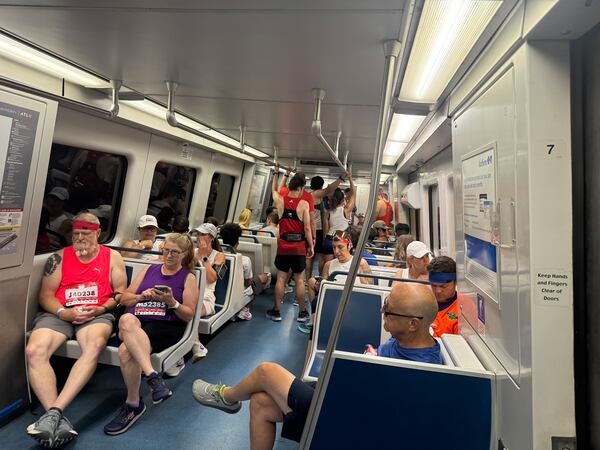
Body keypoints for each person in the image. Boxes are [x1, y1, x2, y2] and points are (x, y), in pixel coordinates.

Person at [191, 282, 440, 449]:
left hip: (347, 417)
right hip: (341, 398)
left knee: (267, 371)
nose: (382, 313)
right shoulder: (404, 342)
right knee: (260, 402)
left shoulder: (421, 370)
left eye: (389, 311)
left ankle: (226, 396)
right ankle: (229, 398)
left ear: (413, 324)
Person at [25, 212, 127, 447]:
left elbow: (119, 293)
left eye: (85, 233)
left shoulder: (113, 257)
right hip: (60, 312)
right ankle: (55, 416)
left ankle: (54, 412)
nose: (80, 237)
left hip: (96, 313)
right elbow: (46, 295)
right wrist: (64, 312)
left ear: (98, 233)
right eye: (76, 233)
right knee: (34, 350)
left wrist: (100, 309)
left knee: (95, 346)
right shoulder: (58, 258)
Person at [103, 234, 199, 435]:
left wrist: (172, 302)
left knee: (124, 351)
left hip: (165, 324)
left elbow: (189, 314)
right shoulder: (149, 269)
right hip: (138, 319)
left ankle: (133, 404)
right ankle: (154, 377)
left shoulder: (188, 277)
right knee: (126, 319)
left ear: (184, 254)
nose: (169, 255)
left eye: (175, 252)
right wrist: (140, 296)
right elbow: (125, 298)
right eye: (166, 250)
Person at [301, 229, 373, 334]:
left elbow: (370, 287)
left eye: (340, 247)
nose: (336, 251)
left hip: (352, 300)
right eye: (334, 248)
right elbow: (323, 286)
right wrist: (320, 284)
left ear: (349, 246)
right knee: (314, 289)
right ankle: (315, 324)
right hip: (332, 298)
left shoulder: (360, 263)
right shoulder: (329, 264)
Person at [268, 168, 314, 323]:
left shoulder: (280, 200)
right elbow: (307, 228)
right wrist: (311, 246)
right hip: (299, 246)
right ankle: (301, 313)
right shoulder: (304, 204)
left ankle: (276, 311)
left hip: (283, 245)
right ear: (300, 188)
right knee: (300, 280)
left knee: (281, 279)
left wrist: (277, 174)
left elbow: (274, 190)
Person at [220, 223, 271, 321]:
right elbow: (248, 283)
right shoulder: (244, 260)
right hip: (239, 291)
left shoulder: (216, 256)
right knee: (265, 277)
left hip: (223, 290)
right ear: (237, 242)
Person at [191, 223, 226, 360]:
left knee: (190, 311)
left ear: (211, 237)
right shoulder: (191, 252)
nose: (199, 237)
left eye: (202, 234)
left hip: (206, 296)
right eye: (198, 234)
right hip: (190, 292)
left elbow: (212, 279)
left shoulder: (219, 256)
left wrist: (204, 257)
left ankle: (196, 344)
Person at [307, 175, 344, 278]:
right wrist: (340, 179)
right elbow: (329, 189)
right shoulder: (316, 194)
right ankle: (315, 278)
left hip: (311, 229)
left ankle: (309, 279)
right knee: (316, 257)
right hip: (316, 230)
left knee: (311, 257)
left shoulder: (310, 195)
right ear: (321, 185)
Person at [322, 174, 356, 268]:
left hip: (329, 240)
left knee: (328, 267)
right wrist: (350, 179)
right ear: (343, 199)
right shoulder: (346, 210)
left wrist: (325, 243)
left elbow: (325, 231)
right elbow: (353, 193)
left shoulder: (328, 213)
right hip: (341, 239)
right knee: (339, 267)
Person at [428, 256, 465, 337]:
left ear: (456, 282)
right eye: (433, 285)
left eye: (443, 286)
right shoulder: (421, 301)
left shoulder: (464, 309)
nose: (438, 291)